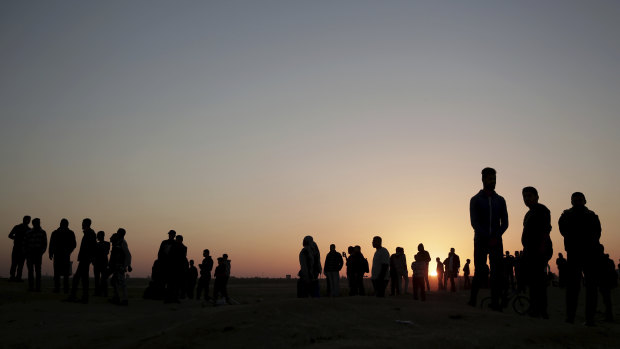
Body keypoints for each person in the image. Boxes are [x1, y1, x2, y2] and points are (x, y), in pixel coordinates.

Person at [558, 192, 602, 325]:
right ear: (571, 201)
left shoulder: (592, 216)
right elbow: (563, 230)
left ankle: (590, 318)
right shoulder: (566, 215)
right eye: (575, 200)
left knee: (591, 287)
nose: (577, 202)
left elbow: (597, 233)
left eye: (579, 200)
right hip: (573, 254)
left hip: (589, 254)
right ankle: (570, 317)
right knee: (572, 287)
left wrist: (587, 241)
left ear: (585, 201)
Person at [468, 167, 509, 310]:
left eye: (494, 179)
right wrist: (487, 236)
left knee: (496, 272)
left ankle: (495, 302)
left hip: (496, 242)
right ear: (483, 180)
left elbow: (505, 223)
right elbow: (474, 222)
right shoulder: (475, 200)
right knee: (479, 270)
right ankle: (472, 300)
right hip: (480, 240)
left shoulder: (500, 200)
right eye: (490, 179)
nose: (493, 182)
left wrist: (496, 236)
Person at [521, 186, 553, 318]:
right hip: (530, 250)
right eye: (525, 196)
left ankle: (541, 310)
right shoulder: (529, 213)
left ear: (536, 197)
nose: (527, 199)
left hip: (540, 250)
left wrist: (540, 248)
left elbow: (546, 229)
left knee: (538, 282)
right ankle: (535, 308)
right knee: (533, 282)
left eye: (529, 196)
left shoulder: (542, 210)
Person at [66, 218, 97, 303]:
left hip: (85, 259)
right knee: (83, 278)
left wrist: (90, 258)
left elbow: (91, 247)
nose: (82, 225)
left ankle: (75, 296)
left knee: (78, 278)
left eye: (83, 223)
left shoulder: (90, 234)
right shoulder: (89, 233)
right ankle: (83, 297)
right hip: (85, 259)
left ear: (86, 224)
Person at [48, 218, 76, 293]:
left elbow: (73, 244)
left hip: (64, 255)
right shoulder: (56, 233)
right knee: (58, 273)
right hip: (59, 255)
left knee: (64, 273)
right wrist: (50, 252)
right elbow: (51, 243)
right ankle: (60, 288)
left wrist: (68, 251)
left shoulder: (69, 233)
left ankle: (63, 288)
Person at [109, 229, 132, 306]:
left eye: (118, 232)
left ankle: (124, 300)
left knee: (122, 283)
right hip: (117, 266)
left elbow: (128, 255)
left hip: (120, 266)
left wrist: (126, 265)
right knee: (114, 282)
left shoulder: (122, 243)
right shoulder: (118, 242)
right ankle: (116, 297)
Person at [25, 218, 47, 292]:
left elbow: (45, 244)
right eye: (36, 223)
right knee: (31, 271)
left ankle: (37, 288)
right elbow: (25, 243)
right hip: (30, 253)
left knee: (37, 271)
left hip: (37, 253)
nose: (37, 224)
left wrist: (41, 252)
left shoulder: (42, 232)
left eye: (38, 223)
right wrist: (26, 252)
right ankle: (32, 287)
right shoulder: (29, 232)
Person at [8, 215, 31, 282]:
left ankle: (18, 277)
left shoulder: (29, 230)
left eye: (28, 220)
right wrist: (16, 239)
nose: (27, 221)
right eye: (26, 219)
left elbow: (29, 240)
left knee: (21, 264)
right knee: (14, 263)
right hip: (16, 248)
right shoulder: (17, 227)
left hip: (23, 249)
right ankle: (12, 276)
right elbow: (10, 235)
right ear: (23, 219)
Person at [93, 231, 110, 297]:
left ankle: (104, 293)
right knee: (97, 279)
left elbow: (106, 252)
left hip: (102, 263)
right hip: (98, 263)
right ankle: (99, 292)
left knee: (103, 279)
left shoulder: (106, 244)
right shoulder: (103, 244)